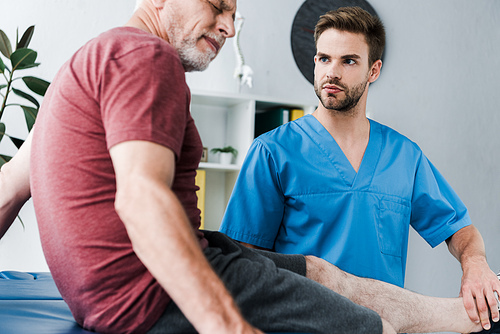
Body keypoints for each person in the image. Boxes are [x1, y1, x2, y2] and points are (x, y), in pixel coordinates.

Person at [0, 1, 498, 333]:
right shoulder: (150, 62)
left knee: (324, 275)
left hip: (180, 263)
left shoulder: (89, 61)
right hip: (148, 292)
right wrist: (226, 325)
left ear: (372, 71)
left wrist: (475, 265)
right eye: (216, 5)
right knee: (364, 322)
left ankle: (473, 319)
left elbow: (8, 188)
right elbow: (142, 199)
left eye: (233, 11)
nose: (228, 24)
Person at [219, 5, 500, 329]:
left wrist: (475, 262)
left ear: (373, 70)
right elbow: (242, 261)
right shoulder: (272, 152)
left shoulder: (403, 156)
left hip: (380, 326)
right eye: (324, 59)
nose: (331, 72)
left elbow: (458, 228)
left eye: (348, 61)